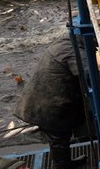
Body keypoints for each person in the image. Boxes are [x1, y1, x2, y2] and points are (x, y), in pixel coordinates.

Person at [14, 36, 87, 168]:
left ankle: (64, 163)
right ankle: (62, 166)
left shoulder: (65, 42)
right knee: (58, 136)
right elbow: (89, 74)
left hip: (41, 97)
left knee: (58, 137)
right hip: (48, 104)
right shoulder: (73, 51)